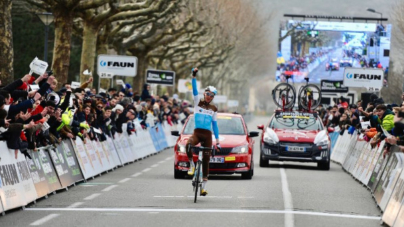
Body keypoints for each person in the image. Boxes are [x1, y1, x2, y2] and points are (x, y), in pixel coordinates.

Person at [186, 67, 220, 196]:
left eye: (212, 96)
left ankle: (203, 188)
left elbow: (215, 125)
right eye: (208, 94)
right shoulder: (197, 103)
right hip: (197, 133)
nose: (209, 97)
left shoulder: (214, 108)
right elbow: (194, 90)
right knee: (189, 144)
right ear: (204, 94)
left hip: (207, 135)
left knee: (206, 159)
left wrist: (218, 142)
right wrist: (193, 76)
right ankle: (191, 165)